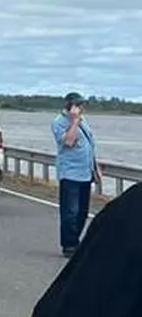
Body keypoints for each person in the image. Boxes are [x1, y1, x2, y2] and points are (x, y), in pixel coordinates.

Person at [29, 182, 142, 317]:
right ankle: (69, 242)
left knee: (77, 210)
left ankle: (71, 242)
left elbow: (81, 300)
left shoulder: (133, 209)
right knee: (71, 210)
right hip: (72, 176)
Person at [52, 91, 103, 256]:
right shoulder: (59, 122)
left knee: (82, 211)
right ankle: (69, 244)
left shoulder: (83, 122)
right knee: (70, 211)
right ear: (70, 106)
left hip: (85, 173)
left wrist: (95, 168)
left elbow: (89, 145)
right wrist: (74, 121)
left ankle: (76, 240)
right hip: (70, 173)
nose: (81, 108)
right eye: (78, 105)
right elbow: (68, 141)